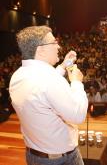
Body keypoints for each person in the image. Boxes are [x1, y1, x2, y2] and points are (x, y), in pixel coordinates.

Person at [9, 26, 88, 165]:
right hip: (61, 159)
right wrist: (76, 82)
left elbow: (42, 90)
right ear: (40, 49)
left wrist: (64, 65)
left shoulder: (18, 76)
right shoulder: (50, 79)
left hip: (34, 155)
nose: (58, 46)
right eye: (54, 42)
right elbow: (78, 115)